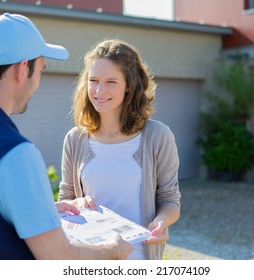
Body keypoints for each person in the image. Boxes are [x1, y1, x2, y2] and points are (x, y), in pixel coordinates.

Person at [0, 13, 132, 260]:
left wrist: (37, 210)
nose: (38, 81)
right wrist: (112, 251)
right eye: (41, 70)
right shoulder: (13, 152)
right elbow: (58, 258)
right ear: (22, 69)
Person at [58, 39, 181, 260]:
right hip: (90, 261)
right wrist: (74, 204)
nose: (99, 90)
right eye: (93, 80)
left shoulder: (158, 136)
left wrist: (161, 221)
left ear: (129, 86)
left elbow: (170, 199)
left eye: (111, 82)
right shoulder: (75, 139)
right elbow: (66, 199)